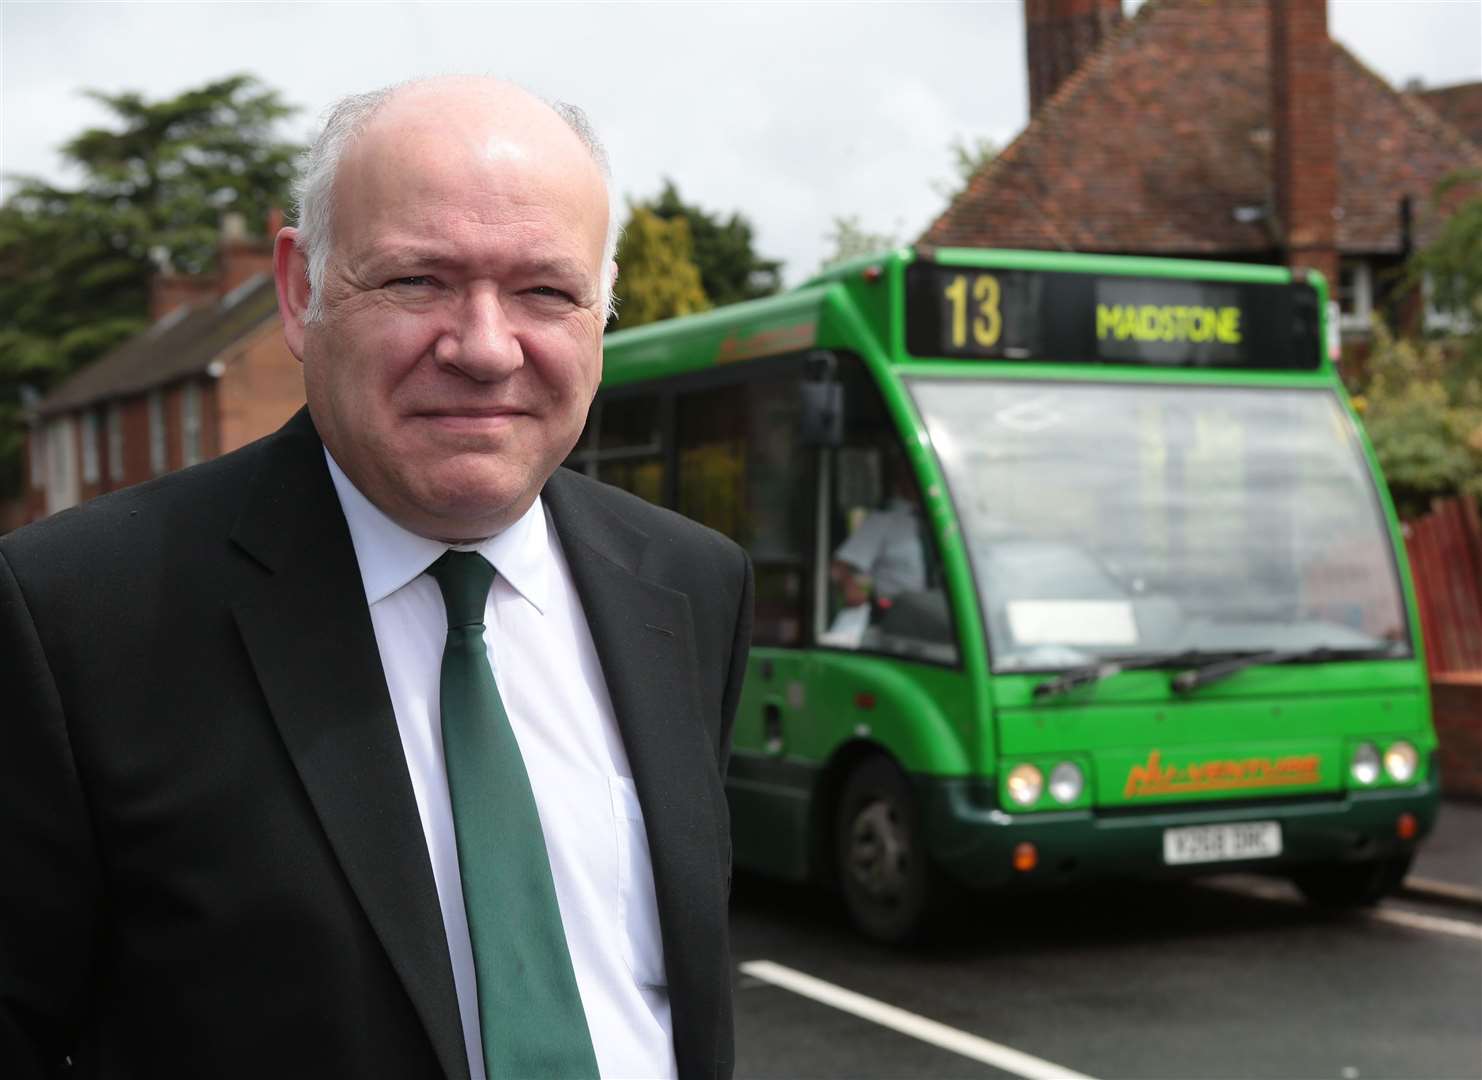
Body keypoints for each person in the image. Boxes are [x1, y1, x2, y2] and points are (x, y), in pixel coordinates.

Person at [0, 77, 752, 1080]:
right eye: (417, 281)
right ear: (299, 290)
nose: (486, 348)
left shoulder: (694, 584)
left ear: (602, 308)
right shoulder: (72, 616)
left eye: (546, 290)